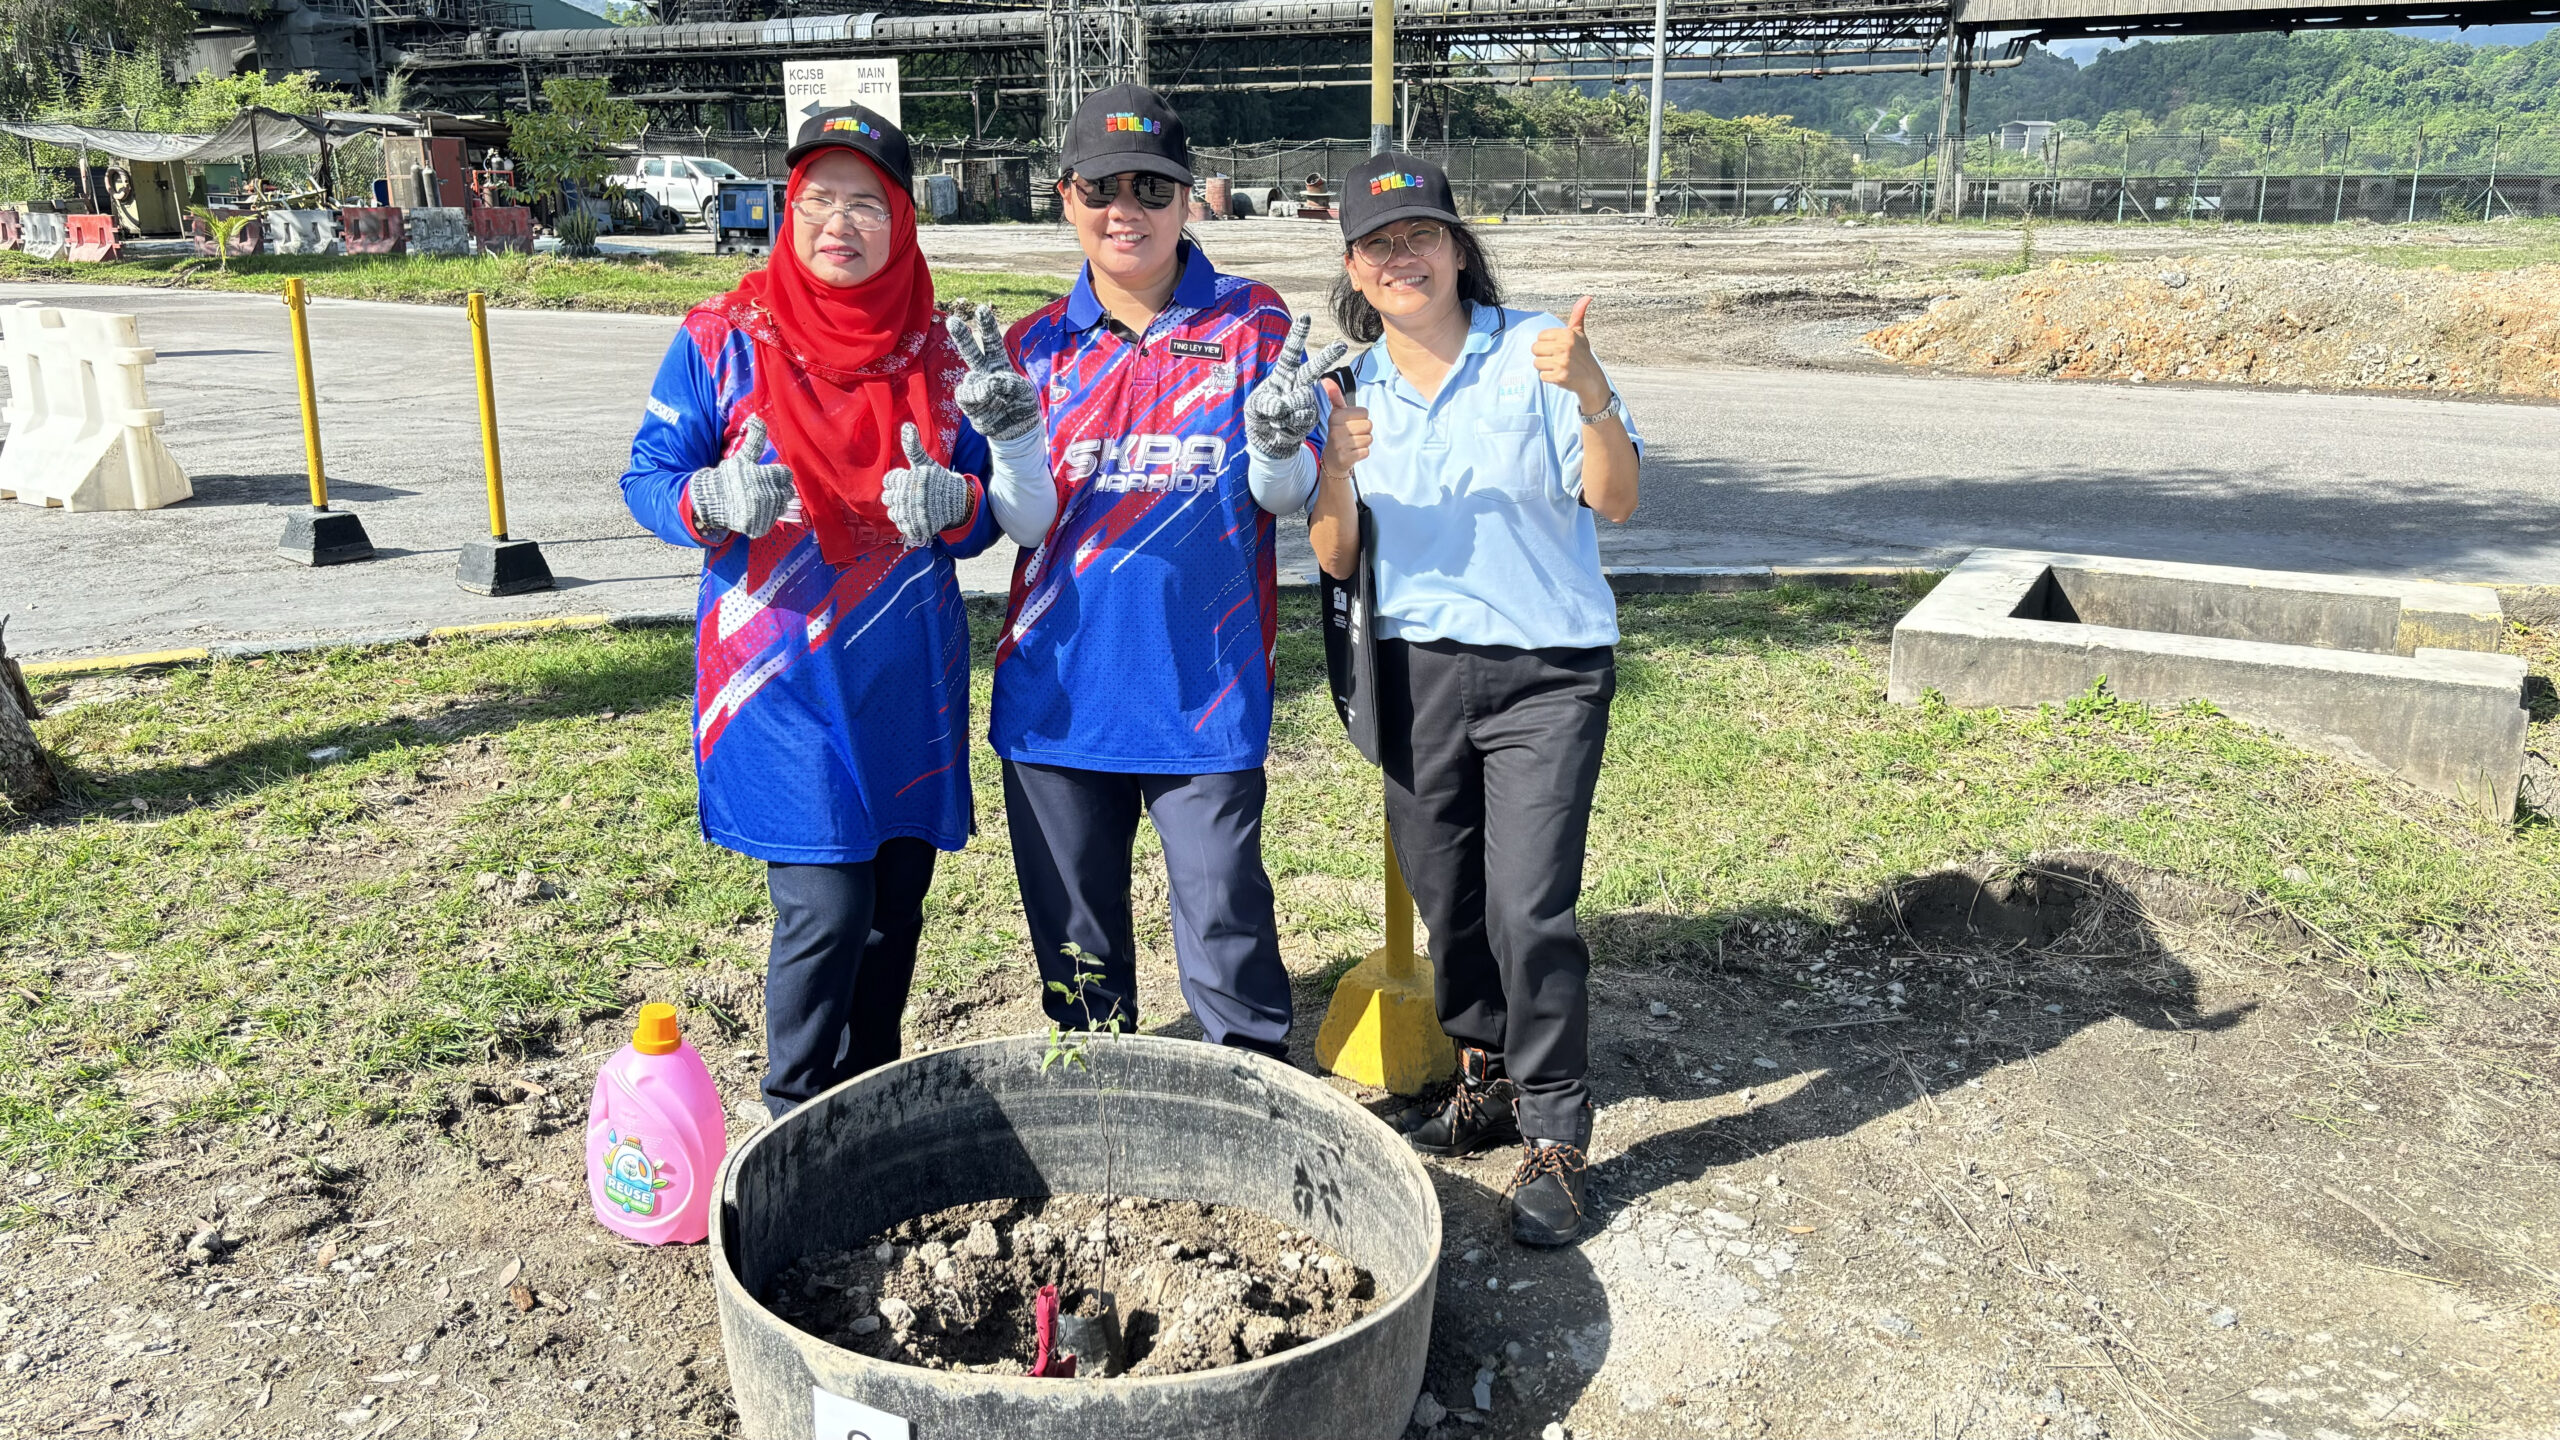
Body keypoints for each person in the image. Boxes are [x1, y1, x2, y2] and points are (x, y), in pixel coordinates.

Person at [618, 105, 1051, 1118]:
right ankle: (791, 1111)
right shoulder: (720, 340)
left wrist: (958, 509)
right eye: (819, 201)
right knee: (824, 904)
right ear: (788, 209)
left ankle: (866, 1104)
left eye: (867, 203)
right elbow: (648, 477)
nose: (839, 224)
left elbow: (992, 513)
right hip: (776, 674)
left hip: (905, 672)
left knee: (894, 905)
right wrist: (707, 501)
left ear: (903, 220)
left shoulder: (944, 357)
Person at [945, 84, 1338, 1061]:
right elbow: (1020, 523)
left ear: (1189, 198)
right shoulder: (1027, 348)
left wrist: (1283, 450)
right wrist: (1012, 445)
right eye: (1102, 188)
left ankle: (1253, 1094)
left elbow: (1284, 493)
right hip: (1057, 695)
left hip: (1204, 692)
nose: (1127, 210)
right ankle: (1096, 1089)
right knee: (1076, 948)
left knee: (1225, 919)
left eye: (1151, 189)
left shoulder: (1254, 323)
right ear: (1066, 198)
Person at [1309, 153, 1642, 1246]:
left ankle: (1555, 1132)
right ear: (1355, 268)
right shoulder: (1347, 386)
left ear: (1457, 247)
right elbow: (1333, 552)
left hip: (1545, 671)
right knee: (1448, 892)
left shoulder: (1538, 352)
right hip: (1417, 669)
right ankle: (1483, 1073)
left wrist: (1591, 394)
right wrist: (1334, 470)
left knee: (1527, 904)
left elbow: (1618, 500)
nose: (1401, 257)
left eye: (1421, 235)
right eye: (1377, 244)